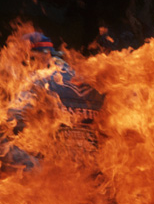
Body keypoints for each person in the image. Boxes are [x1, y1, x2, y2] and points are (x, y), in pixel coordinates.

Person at [1, 31, 105, 173]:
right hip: (94, 173)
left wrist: (34, 164)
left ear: (30, 57)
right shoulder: (91, 79)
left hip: (55, 176)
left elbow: (12, 122)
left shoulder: (37, 82)